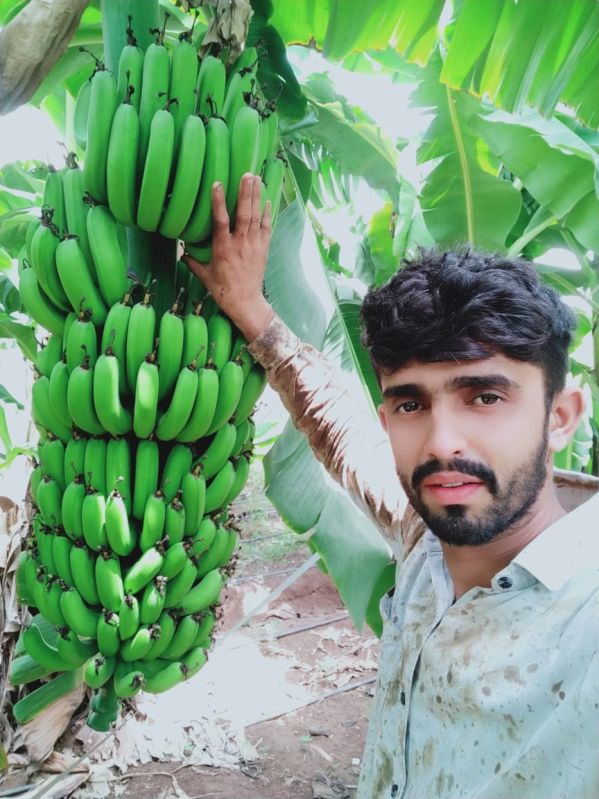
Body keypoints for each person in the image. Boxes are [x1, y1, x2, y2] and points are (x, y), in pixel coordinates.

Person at [183, 174, 599, 799]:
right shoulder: (421, 537)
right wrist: (251, 310)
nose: (440, 442)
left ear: (560, 415)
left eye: (485, 396)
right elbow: (337, 428)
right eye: (411, 405)